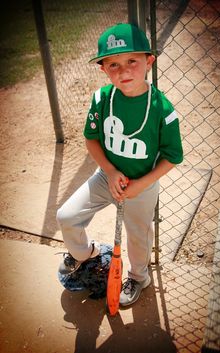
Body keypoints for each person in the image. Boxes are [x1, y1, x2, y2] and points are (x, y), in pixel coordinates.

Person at [57, 23, 183, 306]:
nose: (123, 71)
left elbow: (173, 156)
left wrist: (141, 184)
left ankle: (139, 277)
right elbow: (91, 139)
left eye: (132, 61)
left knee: (138, 239)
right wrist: (112, 171)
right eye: (113, 64)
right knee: (66, 216)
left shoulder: (162, 108)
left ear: (149, 61)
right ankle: (88, 255)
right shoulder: (101, 99)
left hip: (142, 183)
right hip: (106, 177)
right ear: (103, 69)